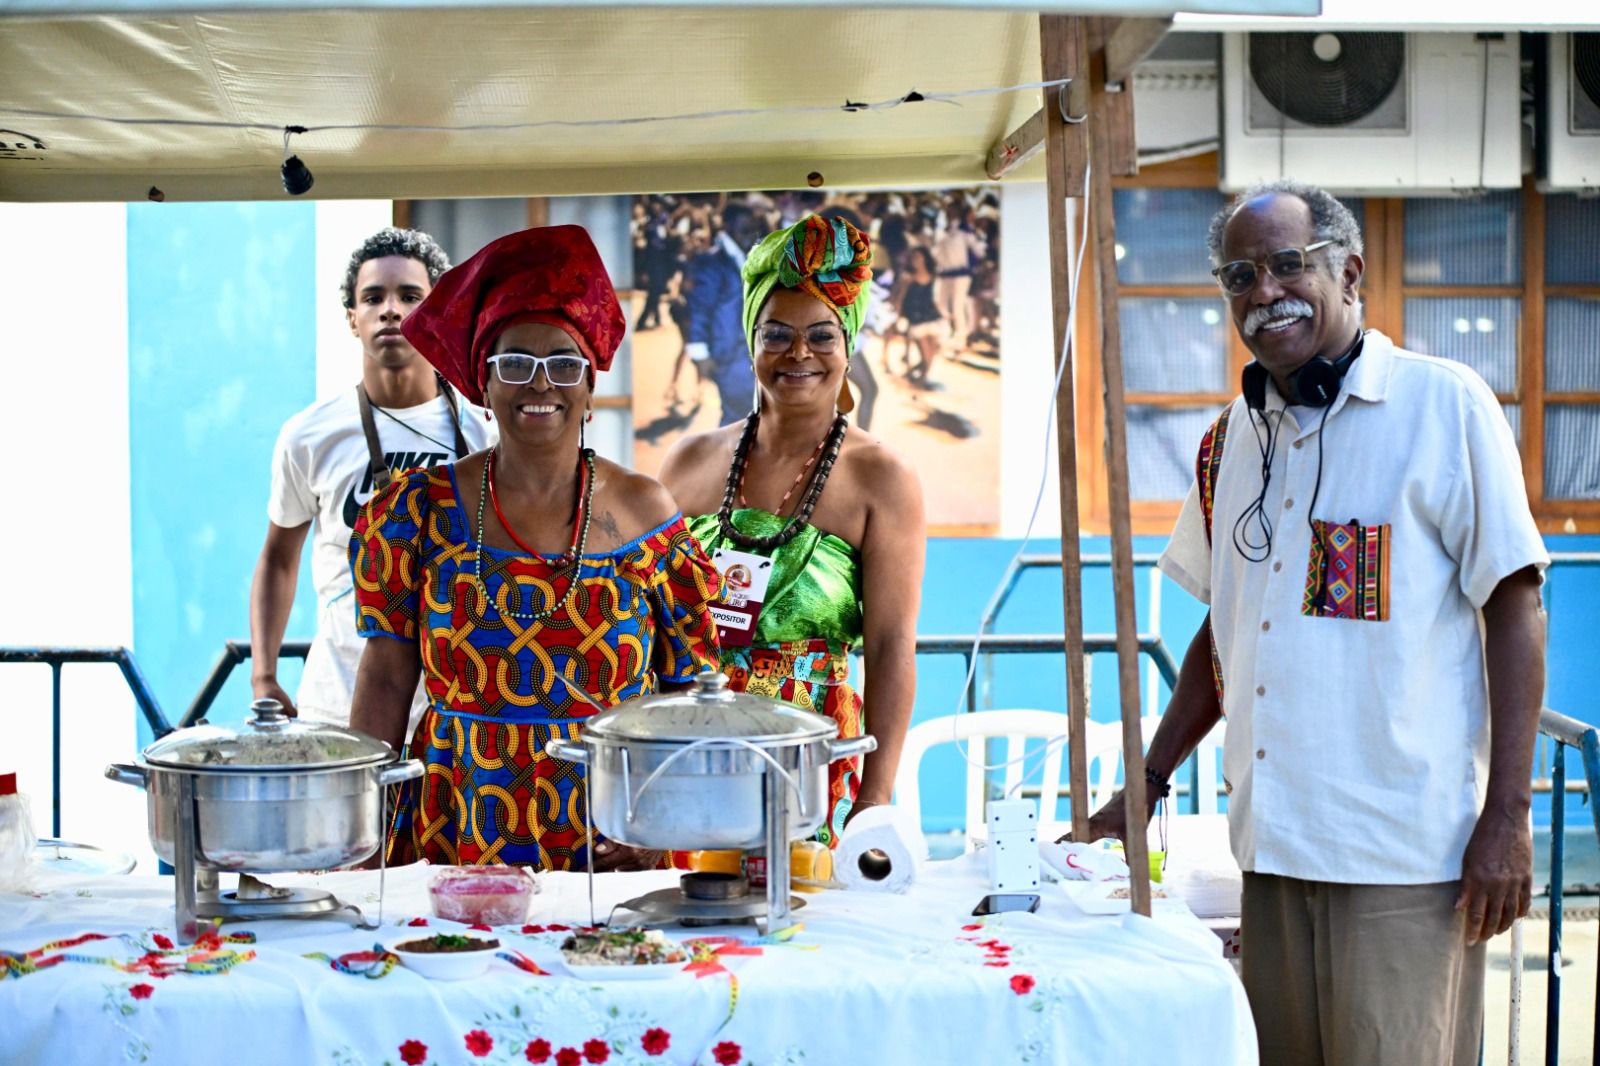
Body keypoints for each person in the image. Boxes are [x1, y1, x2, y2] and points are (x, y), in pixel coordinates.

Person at [1080, 179, 1548, 1065]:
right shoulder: (1230, 440)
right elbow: (1226, 632)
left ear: (1350, 273)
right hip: (1272, 853)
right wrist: (1148, 778)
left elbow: (1516, 606)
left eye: (1288, 264)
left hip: (1404, 860)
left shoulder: (1442, 406)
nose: (1264, 291)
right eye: (1240, 276)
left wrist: (1508, 818)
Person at [348, 225, 722, 871]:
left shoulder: (645, 512)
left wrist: (662, 815)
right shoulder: (417, 512)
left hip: (611, 832)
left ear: (590, 385)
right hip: (457, 821)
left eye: (564, 364)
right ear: (483, 384)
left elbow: (691, 686)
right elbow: (385, 677)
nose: (541, 384)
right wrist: (358, 827)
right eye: (515, 363)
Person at [660, 215, 925, 847]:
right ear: (751, 342)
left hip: (812, 763)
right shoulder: (688, 462)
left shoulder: (883, 480)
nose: (798, 353)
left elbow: (891, 647)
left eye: (821, 335)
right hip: (689, 756)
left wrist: (874, 800)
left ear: (849, 345)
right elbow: (647, 626)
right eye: (776, 333)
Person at [249, 228, 494, 728]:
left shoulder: (487, 431)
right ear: (352, 318)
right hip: (338, 705)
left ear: (437, 313)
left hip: (460, 706)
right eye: (374, 297)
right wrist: (263, 675)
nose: (390, 310)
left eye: (410, 296)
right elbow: (277, 558)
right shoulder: (310, 435)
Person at [683, 200, 767, 426]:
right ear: (728, 226)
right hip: (728, 354)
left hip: (749, 353)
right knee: (738, 418)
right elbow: (699, 308)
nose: (750, 236)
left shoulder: (746, 257)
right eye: (744, 230)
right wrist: (700, 353)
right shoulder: (712, 262)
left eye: (753, 230)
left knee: (748, 417)